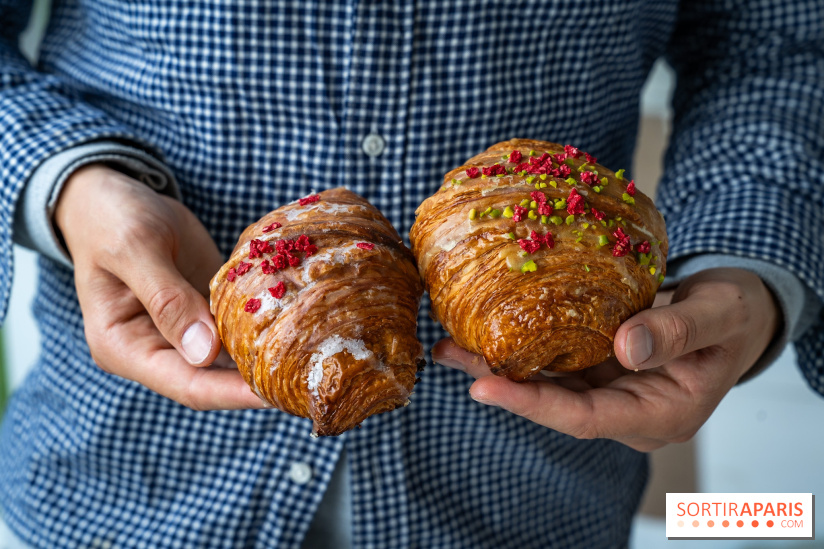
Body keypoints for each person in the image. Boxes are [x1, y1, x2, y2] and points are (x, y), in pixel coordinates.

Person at [1, 1, 822, 547]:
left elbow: (776, 45)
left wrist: (741, 261)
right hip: (121, 484)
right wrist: (65, 180)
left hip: (538, 486)